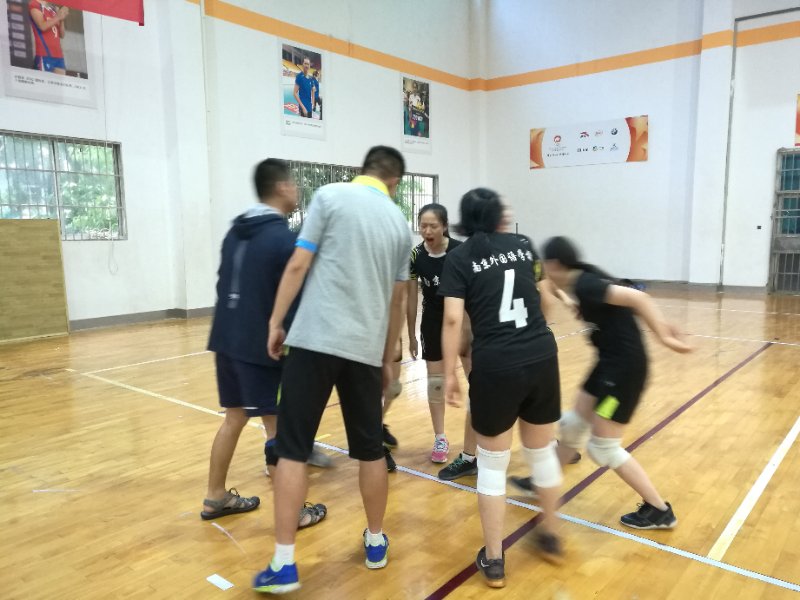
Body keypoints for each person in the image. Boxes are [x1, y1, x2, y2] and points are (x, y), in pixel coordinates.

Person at [254, 146, 411, 594]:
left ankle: (284, 564)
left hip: (314, 341)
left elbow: (299, 263)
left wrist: (276, 321)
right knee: (370, 451)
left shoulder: (330, 196)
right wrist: (387, 357)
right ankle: (376, 542)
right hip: (364, 350)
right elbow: (398, 300)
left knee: (292, 450)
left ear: (363, 170)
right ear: (394, 182)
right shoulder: (399, 224)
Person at [509, 236, 691, 530]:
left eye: (545, 265)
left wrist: (664, 335)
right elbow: (553, 287)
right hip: (608, 365)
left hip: (622, 374)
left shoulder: (587, 285)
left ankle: (659, 509)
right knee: (572, 426)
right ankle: (543, 480)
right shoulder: (577, 279)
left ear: (555, 264)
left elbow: (639, 298)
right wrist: (570, 302)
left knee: (603, 448)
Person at [440, 188, 564, 589]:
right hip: (541, 355)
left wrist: (450, 373)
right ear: (497, 217)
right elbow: (546, 300)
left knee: (493, 466)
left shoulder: (459, 258)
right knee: (541, 453)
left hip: (496, 365)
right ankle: (551, 534)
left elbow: (453, 321)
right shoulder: (524, 245)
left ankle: (494, 560)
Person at [201, 159, 327, 530]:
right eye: (294, 183)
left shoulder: (235, 232)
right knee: (278, 429)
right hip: (261, 348)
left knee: (235, 417)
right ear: (283, 187)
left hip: (225, 339)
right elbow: (293, 299)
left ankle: (215, 496)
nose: (297, 190)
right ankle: (294, 512)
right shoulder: (284, 239)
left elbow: (223, 284)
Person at [406, 204, 477, 479]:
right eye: (423, 225)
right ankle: (440, 438)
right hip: (433, 323)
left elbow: (474, 292)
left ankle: (477, 441)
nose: (427, 231)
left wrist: (468, 329)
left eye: (433, 225)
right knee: (436, 382)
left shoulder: (461, 252)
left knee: (477, 383)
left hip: (463, 321)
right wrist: (411, 333)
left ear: (444, 226)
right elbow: (411, 296)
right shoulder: (416, 255)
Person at [29, 1, 68, 75]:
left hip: (58, 55)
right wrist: (58, 17)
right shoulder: (35, 4)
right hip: (44, 54)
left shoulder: (53, 9)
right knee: (45, 81)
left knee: (60, 82)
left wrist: (62, 18)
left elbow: (62, 35)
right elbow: (42, 26)